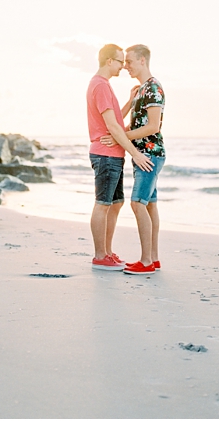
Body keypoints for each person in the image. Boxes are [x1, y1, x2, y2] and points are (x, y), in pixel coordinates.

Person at [86, 44, 153, 271]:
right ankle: (99, 256)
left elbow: (114, 118)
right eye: (119, 61)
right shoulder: (100, 86)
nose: (124, 66)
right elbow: (113, 127)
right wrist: (135, 153)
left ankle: (106, 252)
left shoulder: (103, 85)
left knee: (115, 204)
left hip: (112, 155)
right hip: (105, 155)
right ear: (108, 62)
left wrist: (130, 101)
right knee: (103, 204)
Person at [102, 44, 165, 275]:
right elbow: (135, 124)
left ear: (142, 61)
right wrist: (119, 135)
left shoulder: (153, 88)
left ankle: (146, 262)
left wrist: (122, 137)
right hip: (142, 155)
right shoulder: (140, 90)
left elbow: (152, 126)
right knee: (149, 205)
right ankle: (154, 259)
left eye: (129, 61)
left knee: (138, 203)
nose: (126, 66)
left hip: (149, 155)